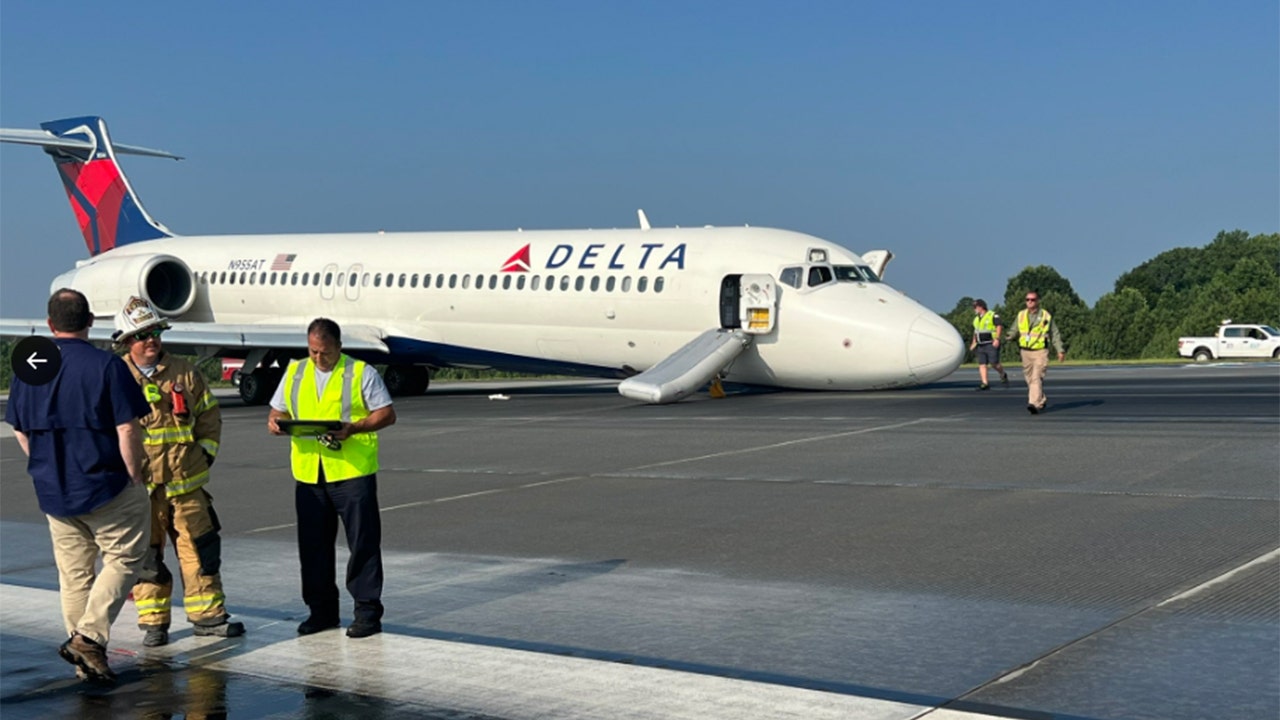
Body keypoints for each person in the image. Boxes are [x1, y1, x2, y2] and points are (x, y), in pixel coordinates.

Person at [3, 288, 151, 682]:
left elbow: (20, 430)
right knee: (125, 558)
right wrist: (134, 473)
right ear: (90, 321)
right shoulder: (107, 366)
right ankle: (89, 638)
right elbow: (126, 427)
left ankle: (85, 660)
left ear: (50, 325)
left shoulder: (29, 368)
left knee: (74, 576)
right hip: (106, 485)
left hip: (54, 489)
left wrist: (45, 464)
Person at [113, 296, 246, 646]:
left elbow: (209, 417)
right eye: (142, 334)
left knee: (201, 552)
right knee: (147, 558)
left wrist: (203, 455)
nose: (151, 339)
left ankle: (209, 618)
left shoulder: (185, 372)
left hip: (187, 486)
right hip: (141, 490)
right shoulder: (114, 376)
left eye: (155, 331)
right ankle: (154, 624)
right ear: (127, 341)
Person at [266, 318, 397, 638]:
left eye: (324, 352)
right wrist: (277, 423)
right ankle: (321, 612)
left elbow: (386, 414)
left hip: (351, 472)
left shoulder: (360, 372)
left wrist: (354, 427)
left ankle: (367, 612)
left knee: (362, 543)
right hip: (310, 473)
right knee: (313, 548)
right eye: (313, 351)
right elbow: (277, 410)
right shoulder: (296, 371)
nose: (318, 358)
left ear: (339, 346)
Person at [1007, 291, 1065, 414]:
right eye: (1027, 299)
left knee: (1036, 378)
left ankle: (1033, 403)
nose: (1030, 302)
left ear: (1038, 301)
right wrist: (1008, 337)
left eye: (1032, 300)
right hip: (1025, 352)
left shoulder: (1045, 316)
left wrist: (1060, 350)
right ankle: (1041, 398)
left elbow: (1054, 333)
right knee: (1029, 378)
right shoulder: (1021, 315)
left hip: (1040, 351)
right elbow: (1014, 329)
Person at [969, 299, 1009, 391]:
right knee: (982, 364)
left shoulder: (992, 315)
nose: (974, 309)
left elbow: (998, 326)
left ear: (981, 307)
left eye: (975, 307)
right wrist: (973, 342)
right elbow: (976, 331)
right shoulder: (976, 319)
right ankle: (985, 383)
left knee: (994, 363)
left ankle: (1002, 373)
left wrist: (997, 339)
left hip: (991, 343)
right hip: (980, 344)